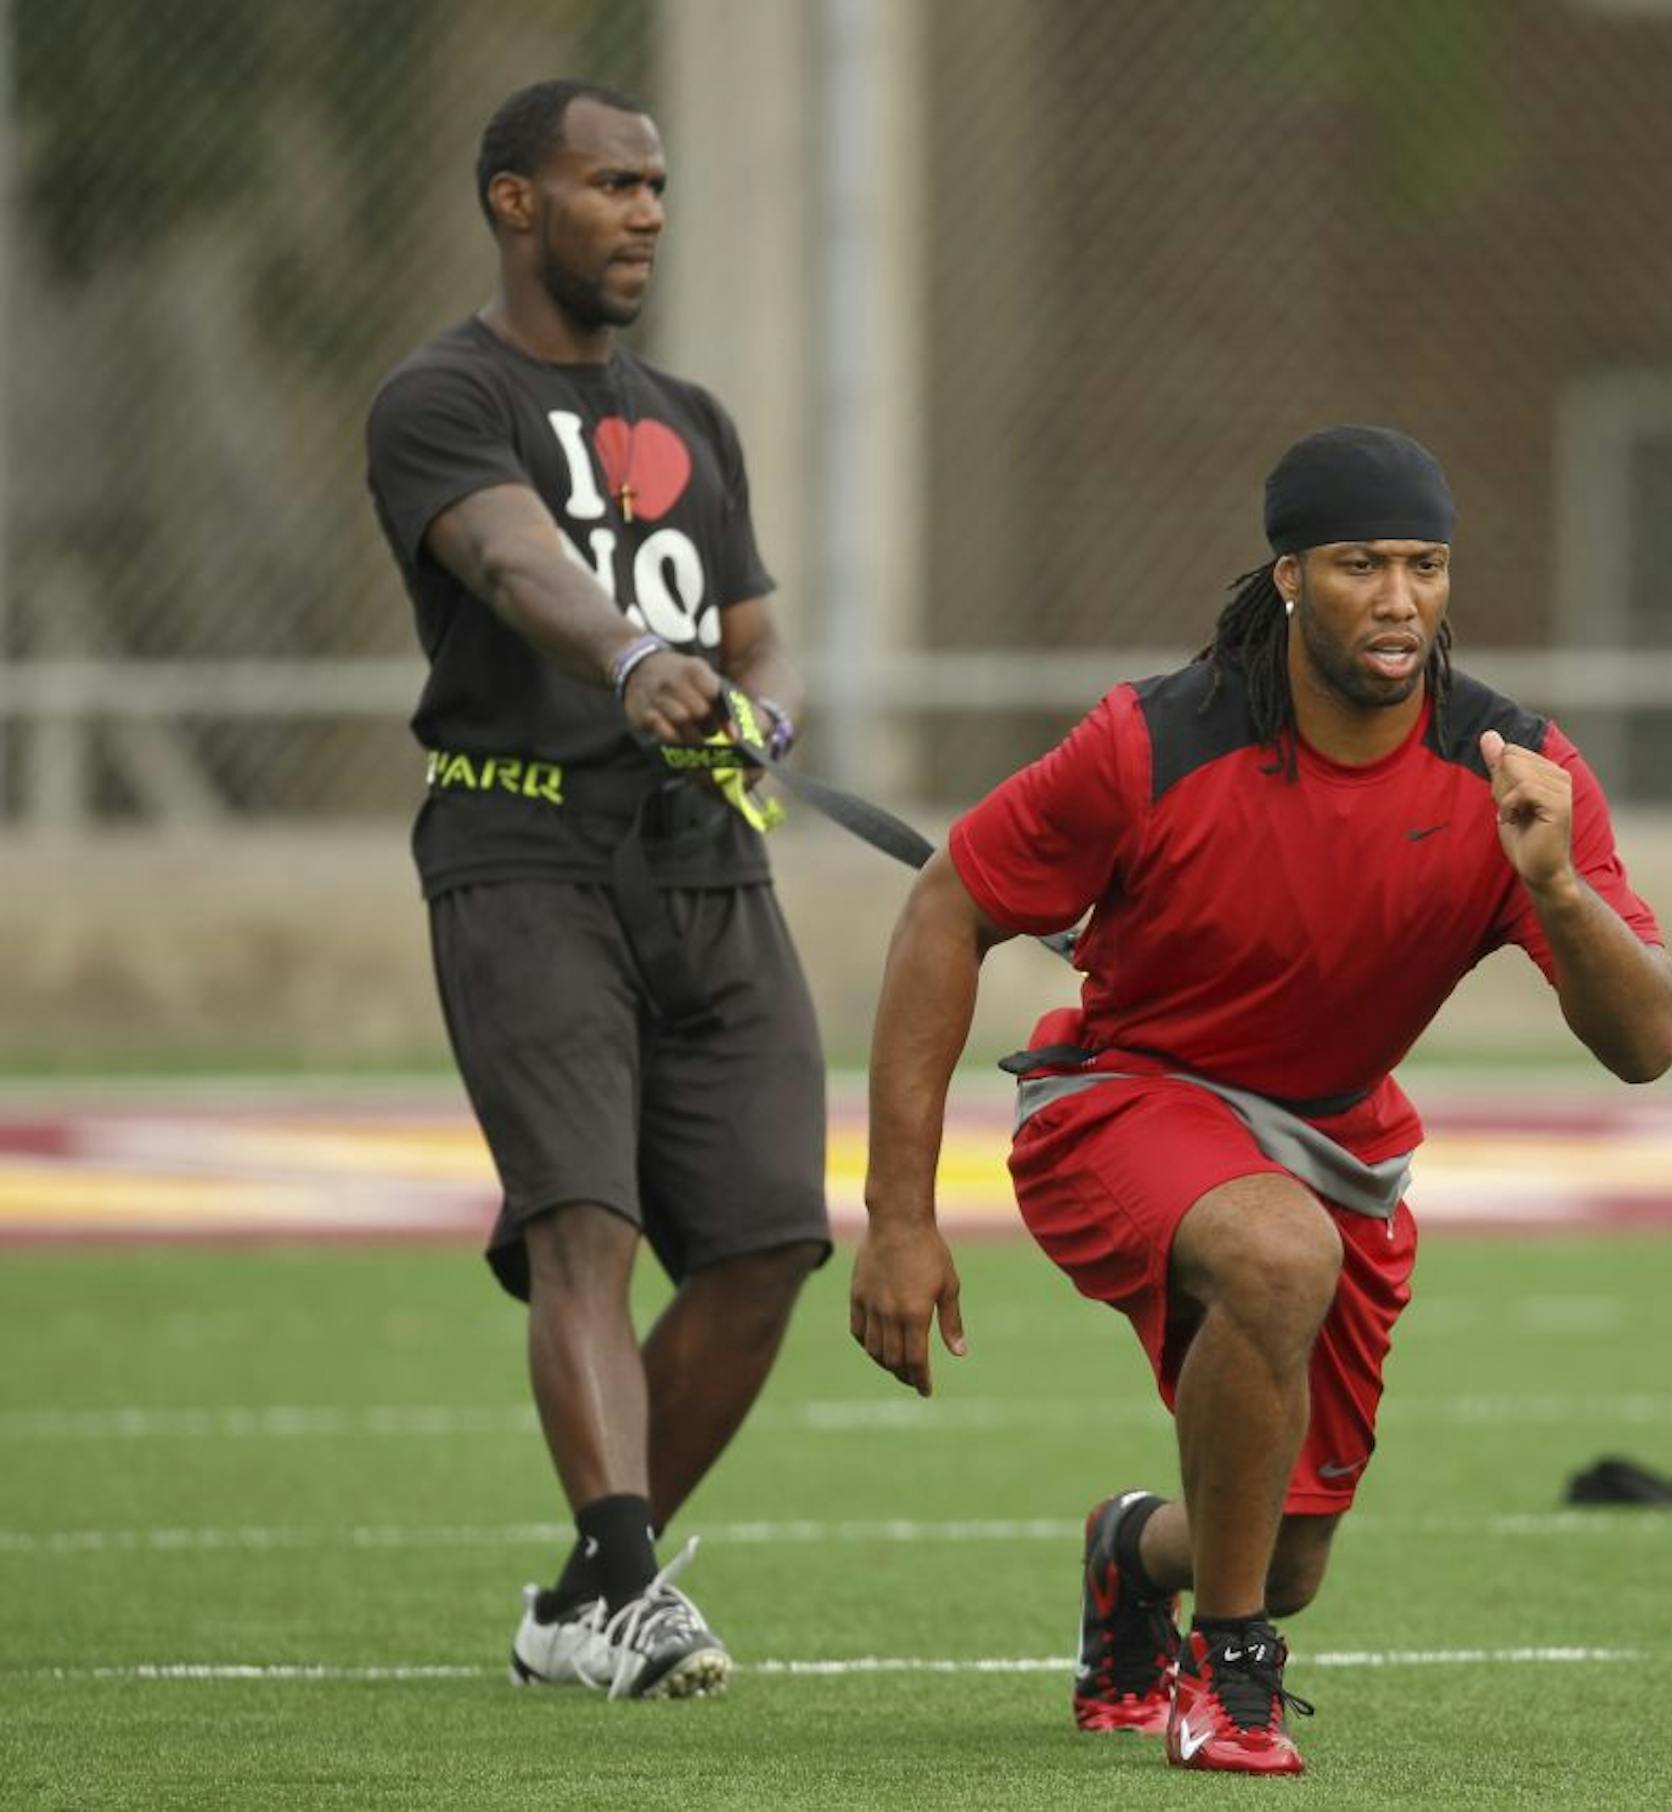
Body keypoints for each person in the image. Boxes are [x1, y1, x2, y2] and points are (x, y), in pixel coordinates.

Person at [848, 425, 1672, 1776]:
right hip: (1122, 1098)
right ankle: (1229, 1679)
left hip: (1336, 1140)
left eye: (1425, 565)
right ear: (1291, 577)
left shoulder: (1515, 772)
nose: (1400, 600)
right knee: (1274, 1251)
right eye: (1361, 565)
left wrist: (1559, 890)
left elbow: (1647, 1042)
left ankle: (1142, 1552)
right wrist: (899, 1214)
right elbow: (948, 905)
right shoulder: (1152, 740)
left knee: (1287, 1551)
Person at [364, 78, 829, 1701]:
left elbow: (755, 624)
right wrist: (633, 655)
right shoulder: (442, 396)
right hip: (522, 849)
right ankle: (631, 1581)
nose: (643, 212)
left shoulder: (692, 411)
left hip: (708, 862)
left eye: (655, 187)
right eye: (609, 184)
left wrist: (759, 704)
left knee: (771, 1237)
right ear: (514, 201)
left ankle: (582, 1596)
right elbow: (509, 561)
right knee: (587, 1223)